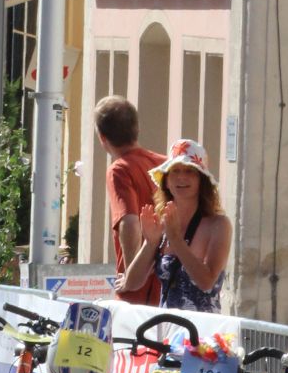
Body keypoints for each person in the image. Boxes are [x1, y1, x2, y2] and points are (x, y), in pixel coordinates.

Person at [119, 138, 232, 312]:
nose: (181, 177)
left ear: (201, 180)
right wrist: (150, 243)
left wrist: (176, 241)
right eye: (175, 171)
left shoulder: (219, 225)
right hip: (165, 326)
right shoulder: (163, 222)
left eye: (189, 171)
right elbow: (132, 284)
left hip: (200, 327)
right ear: (166, 180)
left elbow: (207, 282)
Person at [94, 95, 162, 305]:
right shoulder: (164, 164)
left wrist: (132, 274)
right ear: (137, 129)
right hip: (167, 283)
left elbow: (129, 221)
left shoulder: (119, 169)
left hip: (141, 291)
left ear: (102, 138)